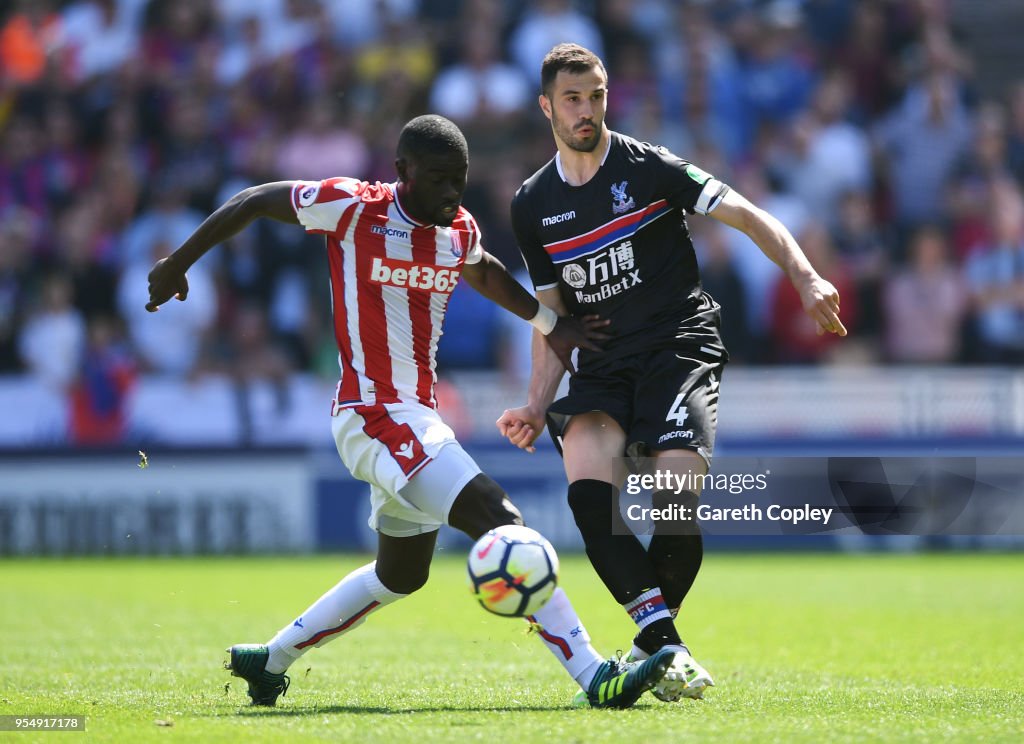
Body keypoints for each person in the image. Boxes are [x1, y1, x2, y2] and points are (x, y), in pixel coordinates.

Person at [144, 114, 675, 709]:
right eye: (441, 179)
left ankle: (270, 661)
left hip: (414, 416)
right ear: (403, 172)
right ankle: (593, 674)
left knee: (401, 574)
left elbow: (487, 272)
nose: (453, 192)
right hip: (373, 413)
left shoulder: (458, 228)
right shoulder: (352, 207)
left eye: (462, 179)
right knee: (500, 517)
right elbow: (251, 200)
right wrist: (177, 262)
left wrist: (553, 324)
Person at [497, 44, 847, 704]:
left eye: (597, 95)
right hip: (602, 362)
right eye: (573, 98)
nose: (587, 109)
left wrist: (805, 276)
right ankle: (668, 648)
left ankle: (649, 647)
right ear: (547, 106)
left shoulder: (648, 166)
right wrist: (537, 403)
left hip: (679, 346)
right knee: (587, 491)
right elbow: (551, 315)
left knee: (675, 493)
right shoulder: (532, 205)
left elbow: (747, 213)